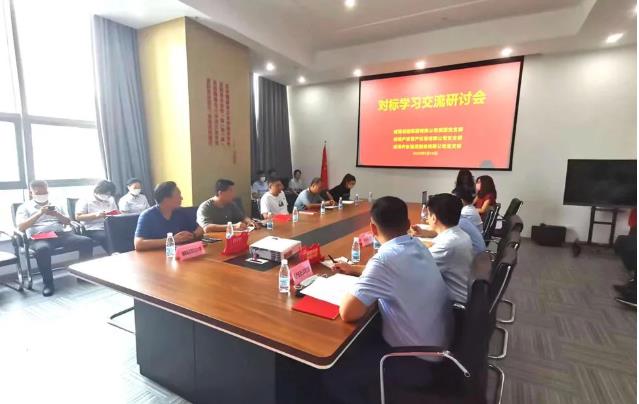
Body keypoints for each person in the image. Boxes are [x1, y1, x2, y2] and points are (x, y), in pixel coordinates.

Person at [325, 196, 452, 404]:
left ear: (373, 229)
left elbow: (348, 313)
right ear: (408, 224)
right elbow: (391, 270)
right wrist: (354, 269)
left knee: (335, 377)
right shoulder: (417, 245)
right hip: (440, 348)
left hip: (416, 362)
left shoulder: (384, 261)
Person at [15, 180, 94, 296]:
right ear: (31, 193)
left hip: (60, 234)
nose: (42, 195)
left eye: (45, 192)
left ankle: (83, 276)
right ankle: (48, 283)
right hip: (38, 237)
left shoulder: (57, 204)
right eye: (38, 193)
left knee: (86, 241)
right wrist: (39, 213)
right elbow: (21, 227)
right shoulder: (24, 207)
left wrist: (57, 214)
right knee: (42, 249)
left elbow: (68, 222)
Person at [415, 193, 473, 303]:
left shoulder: (448, 245)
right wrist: (417, 241)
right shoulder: (459, 234)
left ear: (434, 218)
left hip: (454, 302)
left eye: (428, 214)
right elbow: (434, 244)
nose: (427, 218)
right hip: (463, 291)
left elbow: (416, 267)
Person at [134, 181, 203, 251]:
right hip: (156, 255)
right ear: (166, 199)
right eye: (178, 195)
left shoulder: (181, 212)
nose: (181, 198)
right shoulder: (147, 216)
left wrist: (193, 235)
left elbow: (201, 226)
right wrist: (171, 240)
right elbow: (138, 244)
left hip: (178, 254)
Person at [75, 180, 118, 253]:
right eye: (105, 194)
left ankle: (126, 253)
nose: (107, 196)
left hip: (109, 225)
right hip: (93, 228)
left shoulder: (110, 199)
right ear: (98, 191)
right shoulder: (84, 200)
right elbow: (78, 217)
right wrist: (96, 215)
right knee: (107, 237)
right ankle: (114, 254)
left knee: (126, 233)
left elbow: (116, 212)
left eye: (109, 194)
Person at [452, 188, 485, 256]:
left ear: (461, 200)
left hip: (475, 255)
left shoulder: (465, 212)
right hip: (478, 249)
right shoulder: (470, 208)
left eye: (452, 199)